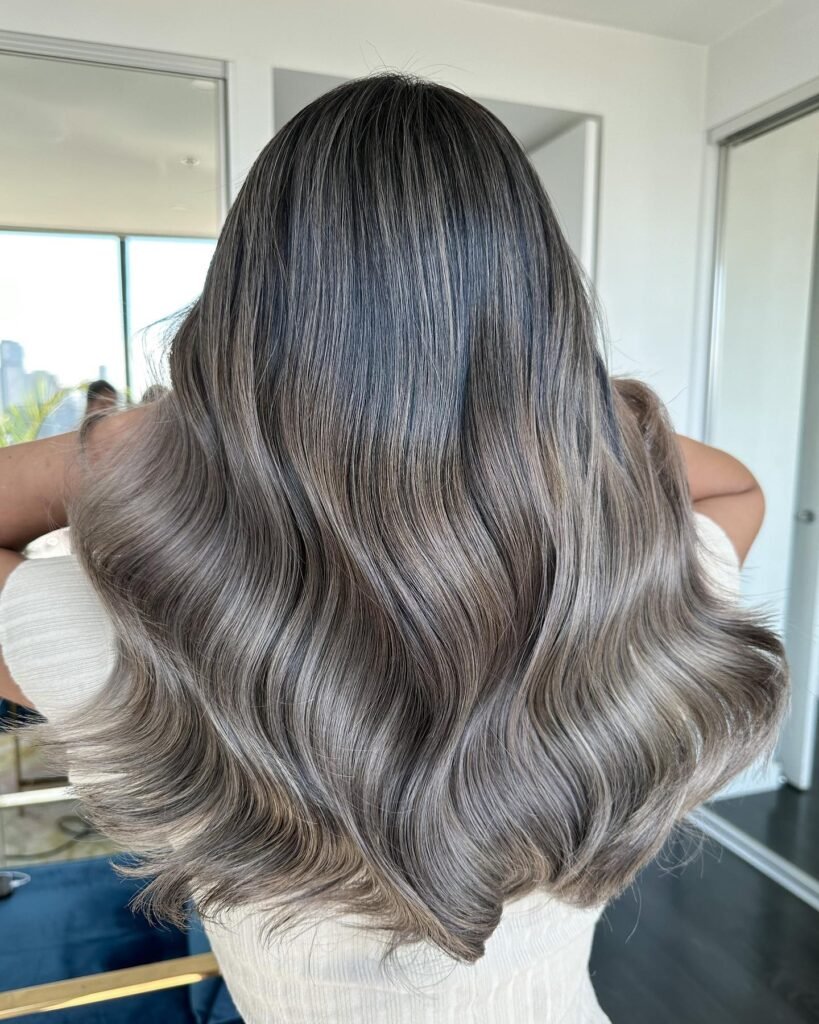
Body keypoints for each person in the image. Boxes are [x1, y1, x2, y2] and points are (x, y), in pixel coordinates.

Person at [0, 75, 788, 1023]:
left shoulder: (110, 639)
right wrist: (571, 423)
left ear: (244, 321)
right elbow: (734, 489)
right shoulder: (639, 598)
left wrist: (145, 440)